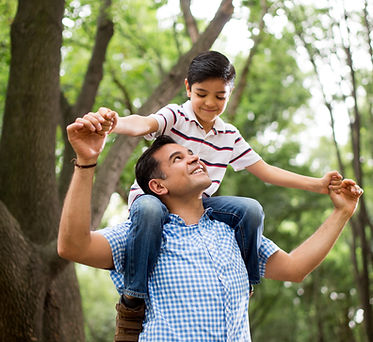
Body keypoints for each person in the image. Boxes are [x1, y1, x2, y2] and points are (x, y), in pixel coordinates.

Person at [82, 50, 343, 339]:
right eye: (201, 94)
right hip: (154, 201)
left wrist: (318, 185)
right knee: (149, 212)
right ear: (187, 88)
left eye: (220, 96)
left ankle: (246, 282)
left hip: (200, 205)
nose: (209, 103)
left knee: (251, 209)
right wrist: (114, 124)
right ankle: (134, 296)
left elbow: (266, 171)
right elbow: (144, 123)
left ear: (229, 94)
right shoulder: (176, 115)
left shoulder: (229, 136)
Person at [58, 120, 362, 341]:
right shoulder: (141, 234)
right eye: (178, 158)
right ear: (158, 186)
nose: (193, 157)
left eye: (191, 153)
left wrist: (342, 212)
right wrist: (86, 161)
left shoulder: (233, 232)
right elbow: (73, 246)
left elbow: (295, 268)